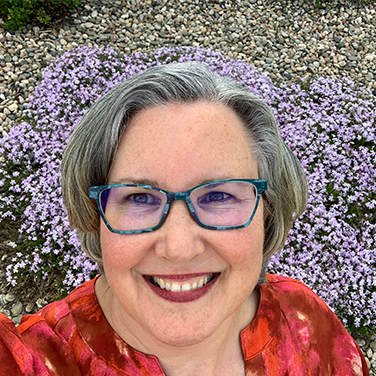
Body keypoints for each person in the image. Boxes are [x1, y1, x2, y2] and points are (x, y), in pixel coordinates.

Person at [0, 62, 369, 375]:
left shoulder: (305, 320)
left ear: (267, 211)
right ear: (94, 212)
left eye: (220, 195)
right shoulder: (36, 360)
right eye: (139, 197)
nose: (178, 248)